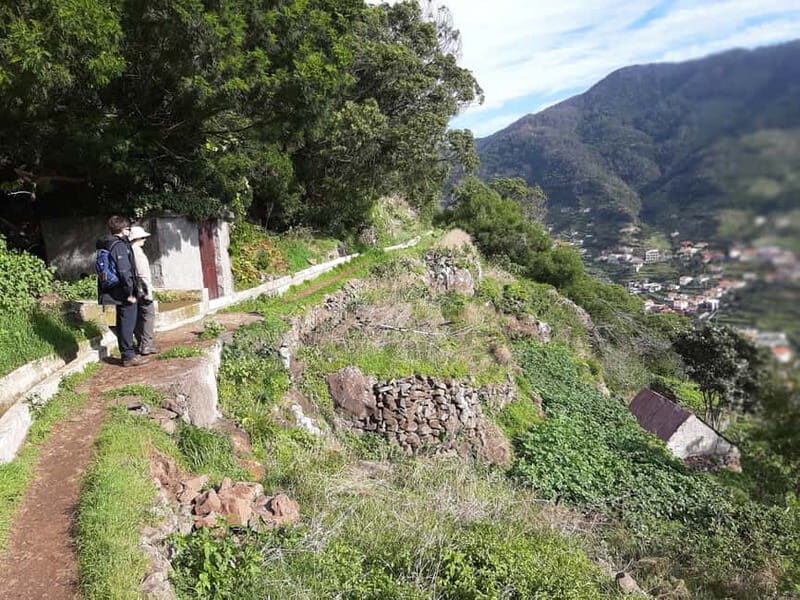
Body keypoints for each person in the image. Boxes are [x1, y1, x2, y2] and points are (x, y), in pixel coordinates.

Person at [96, 216, 150, 367]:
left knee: (122, 321)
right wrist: (130, 294)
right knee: (127, 322)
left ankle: (127, 353)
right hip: (122, 291)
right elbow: (124, 271)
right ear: (122, 230)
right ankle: (128, 356)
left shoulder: (107, 244)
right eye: (128, 229)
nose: (129, 232)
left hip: (113, 289)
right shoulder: (119, 246)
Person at [128, 225, 159, 355]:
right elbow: (143, 275)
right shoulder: (137, 253)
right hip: (142, 289)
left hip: (133, 289)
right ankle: (146, 345)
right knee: (148, 315)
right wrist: (149, 292)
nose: (145, 240)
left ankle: (141, 343)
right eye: (143, 237)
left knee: (139, 316)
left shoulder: (128, 251)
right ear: (138, 238)